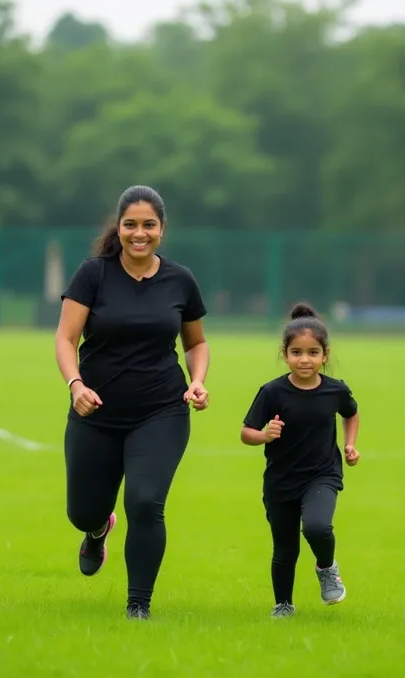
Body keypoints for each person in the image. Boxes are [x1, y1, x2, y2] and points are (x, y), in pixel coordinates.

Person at [55, 185, 209, 620]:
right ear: (118, 227)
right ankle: (98, 529)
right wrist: (76, 385)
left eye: (148, 225)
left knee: (145, 502)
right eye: (130, 225)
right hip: (95, 411)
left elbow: (196, 343)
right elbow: (66, 338)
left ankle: (138, 605)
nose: (139, 234)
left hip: (161, 409)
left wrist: (197, 380)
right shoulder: (93, 274)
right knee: (82, 511)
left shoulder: (180, 280)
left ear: (161, 229)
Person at [240, 303, 360, 618]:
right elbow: (246, 432)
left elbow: (351, 413)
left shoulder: (335, 390)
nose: (304, 360)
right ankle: (283, 604)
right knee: (285, 549)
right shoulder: (272, 392)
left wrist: (350, 445)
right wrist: (265, 435)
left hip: (322, 475)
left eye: (311, 352)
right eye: (296, 352)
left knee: (318, 528)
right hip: (281, 480)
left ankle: (326, 566)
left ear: (325, 355)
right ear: (285, 353)